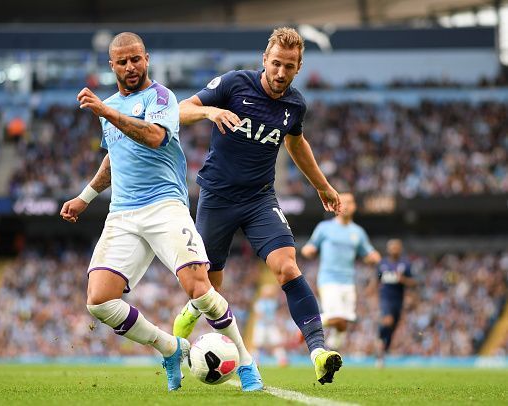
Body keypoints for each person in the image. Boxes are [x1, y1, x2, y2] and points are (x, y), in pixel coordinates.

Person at [59, 32, 262, 392]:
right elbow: (114, 158)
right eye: (122, 61)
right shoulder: (107, 108)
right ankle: (169, 347)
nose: (130, 66)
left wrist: (107, 110)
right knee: (99, 301)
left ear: (146, 58)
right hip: (123, 213)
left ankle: (246, 362)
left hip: (165, 206)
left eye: (135, 59)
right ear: (112, 65)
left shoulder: (161, 98)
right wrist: (85, 196)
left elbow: (153, 136)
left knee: (199, 289)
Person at [173, 27, 343, 384]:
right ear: (264, 60)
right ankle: (191, 312)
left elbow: (296, 144)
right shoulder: (234, 84)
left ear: (299, 67)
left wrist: (323, 186)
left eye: (290, 66)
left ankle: (318, 352)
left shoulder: (295, 105)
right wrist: (209, 113)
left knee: (286, 266)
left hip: (259, 199)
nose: (281, 73)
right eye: (277, 64)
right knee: (208, 291)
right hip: (217, 198)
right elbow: (181, 109)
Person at [301, 192, 381, 351]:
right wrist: (308, 250)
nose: (346, 205)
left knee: (343, 323)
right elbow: (309, 247)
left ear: (355, 207)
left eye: (350, 202)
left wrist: (374, 256)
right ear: (336, 206)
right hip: (329, 279)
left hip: (348, 282)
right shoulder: (325, 228)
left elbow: (368, 254)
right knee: (336, 317)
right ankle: (305, 324)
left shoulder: (358, 232)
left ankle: (329, 353)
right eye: (343, 202)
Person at [372, 239, 416, 367]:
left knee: (392, 328)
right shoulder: (382, 263)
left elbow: (413, 282)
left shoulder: (405, 264)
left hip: (398, 301)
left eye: (397, 247)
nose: (394, 249)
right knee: (388, 321)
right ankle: (379, 338)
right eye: (392, 247)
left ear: (400, 249)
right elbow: (376, 279)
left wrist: (403, 280)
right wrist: (371, 292)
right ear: (388, 249)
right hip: (385, 298)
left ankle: (382, 352)